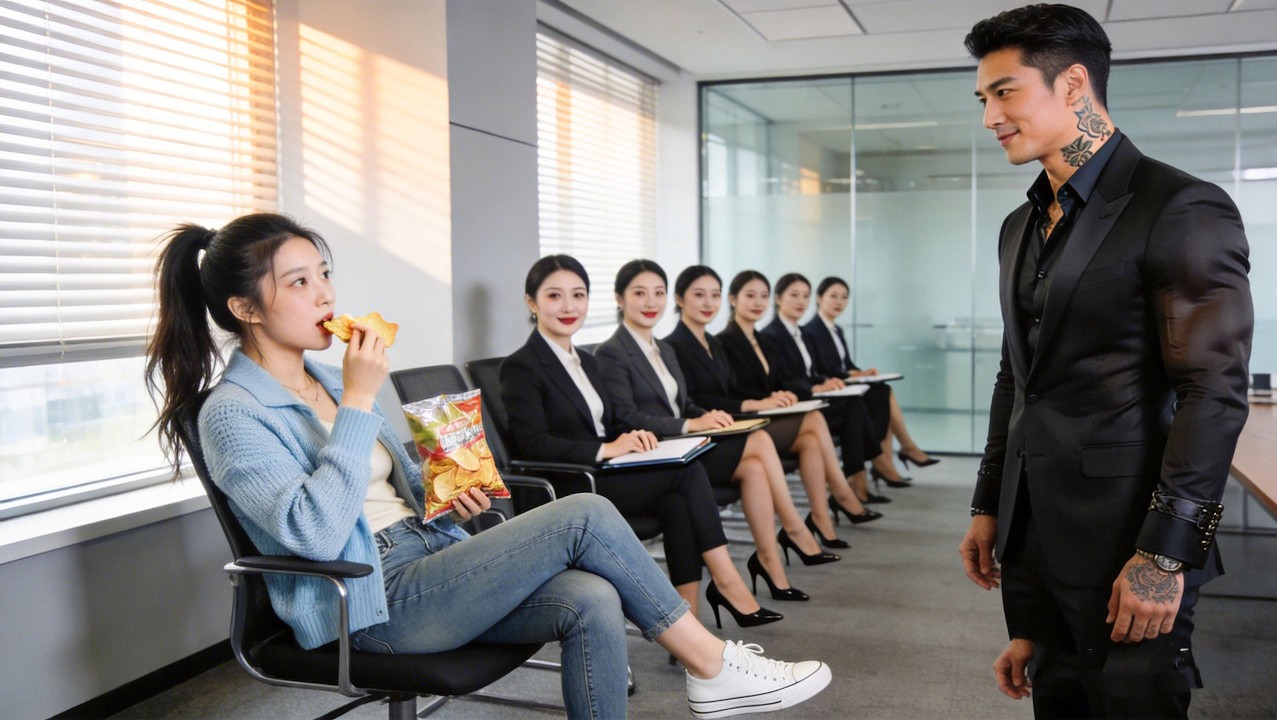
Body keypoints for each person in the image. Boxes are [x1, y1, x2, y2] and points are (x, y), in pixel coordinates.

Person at [144, 213, 831, 719]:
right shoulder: (232, 413)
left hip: (425, 558)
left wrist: (447, 495)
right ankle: (710, 663)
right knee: (588, 511)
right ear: (243, 308)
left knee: (591, 598)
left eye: (324, 273)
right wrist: (358, 400)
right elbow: (317, 535)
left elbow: (390, 489)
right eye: (299, 281)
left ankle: (710, 668)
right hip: (365, 601)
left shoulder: (328, 376)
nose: (325, 293)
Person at [956, 6, 1252, 719]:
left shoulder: (1179, 206)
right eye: (983, 98)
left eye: (1005, 92)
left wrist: (1164, 556)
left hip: (1129, 540)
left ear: (1075, 84)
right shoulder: (1020, 225)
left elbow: (1213, 391)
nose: (990, 115)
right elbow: (1016, 377)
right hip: (1036, 538)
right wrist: (989, 503)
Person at [499, 254, 783, 630]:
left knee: (677, 503)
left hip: (607, 472)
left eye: (578, 295)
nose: (568, 307)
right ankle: (728, 582)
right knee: (686, 474)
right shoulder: (522, 365)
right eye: (554, 296)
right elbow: (533, 445)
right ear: (531, 303)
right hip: (572, 484)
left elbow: (613, 420)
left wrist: (630, 438)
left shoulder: (587, 360)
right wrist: (606, 449)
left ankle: (688, 621)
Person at [595, 259, 838, 604]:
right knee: (758, 440)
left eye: (657, 293)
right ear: (620, 299)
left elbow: (683, 401)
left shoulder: (662, 349)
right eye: (639, 293)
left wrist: (708, 415)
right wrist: (690, 424)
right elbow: (626, 416)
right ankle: (795, 532)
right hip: (658, 449)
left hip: (684, 441)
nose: (651, 302)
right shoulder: (611, 352)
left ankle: (772, 562)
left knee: (754, 466)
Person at [714, 270, 885, 546]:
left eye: (763, 296)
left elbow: (779, 380)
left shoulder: (762, 340)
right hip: (751, 418)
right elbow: (733, 391)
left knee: (811, 441)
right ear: (733, 299)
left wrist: (780, 394)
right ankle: (842, 496)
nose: (758, 302)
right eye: (750, 295)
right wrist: (767, 399)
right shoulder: (724, 341)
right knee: (816, 419)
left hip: (771, 412)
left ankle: (822, 517)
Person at [763, 272, 910, 493]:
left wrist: (826, 380)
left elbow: (811, 371)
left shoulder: (801, 333)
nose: (801, 301)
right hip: (796, 403)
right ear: (777, 298)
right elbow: (781, 379)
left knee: (866, 399)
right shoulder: (771, 334)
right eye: (794, 295)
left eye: (805, 296)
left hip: (811, 398)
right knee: (855, 406)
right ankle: (868, 471)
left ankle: (860, 477)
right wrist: (816, 386)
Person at [802, 276, 939, 473]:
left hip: (844, 383)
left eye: (844, 297)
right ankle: (894, 456)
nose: (839, 302)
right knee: (881, 395)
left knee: (883, 392)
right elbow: (822, 368)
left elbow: (845, 364)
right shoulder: (811, 330)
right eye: (833, 296)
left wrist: (861, 372)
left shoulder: (837, 329)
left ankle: (889, 461)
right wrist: (850, 374)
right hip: (832, 388)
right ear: (819, 298)